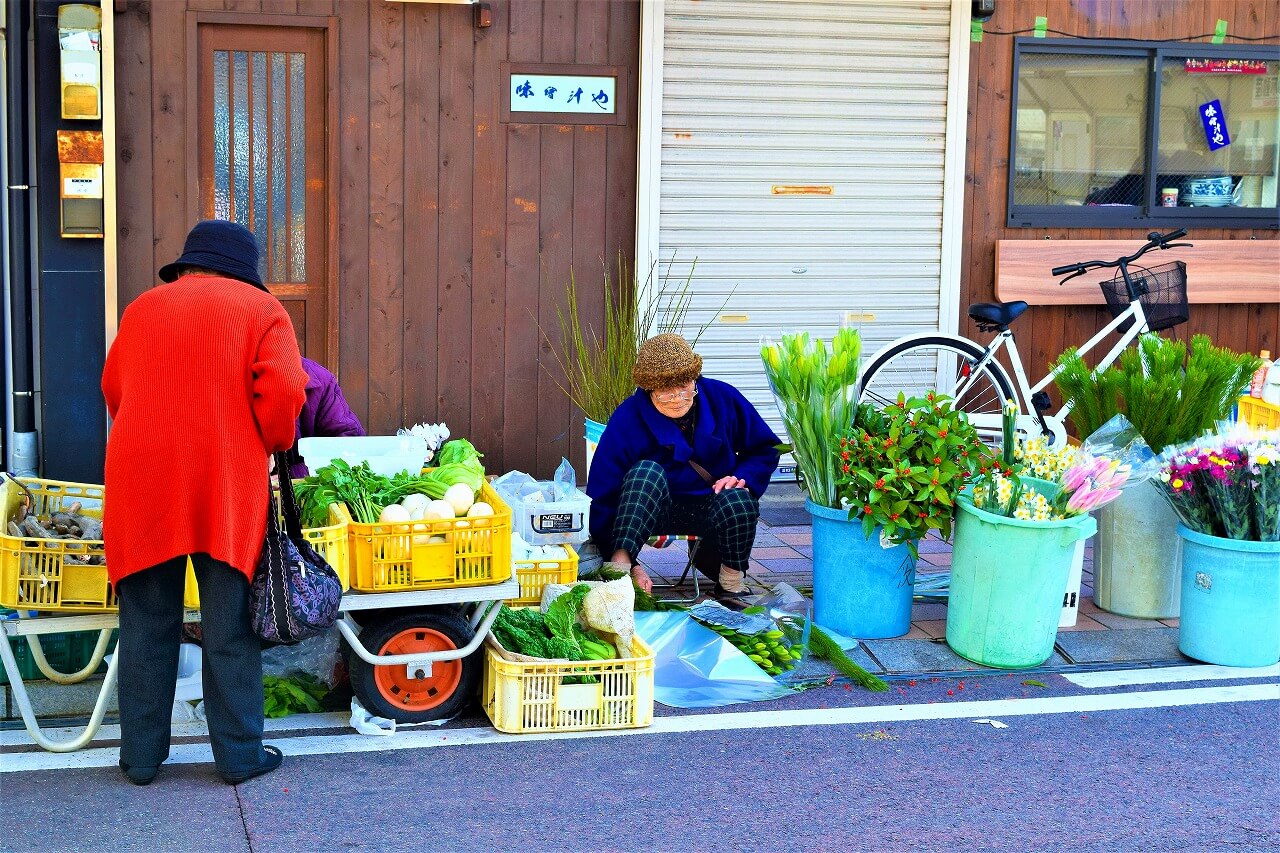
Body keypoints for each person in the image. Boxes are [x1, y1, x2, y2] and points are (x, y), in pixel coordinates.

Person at [102, 220, 307, 786]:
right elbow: (287, 391)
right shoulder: (263, 311)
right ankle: (239, 756)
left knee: (145, 620)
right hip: (223, 482)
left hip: (141, 479)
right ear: (245, 269)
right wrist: (273, 441)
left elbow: (114, 387)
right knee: (228, 624)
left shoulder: (143, 308)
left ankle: (140, 759)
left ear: (188, 264)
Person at [585, 333, 781, 604]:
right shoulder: (627, 417)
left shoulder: (722, 398)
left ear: (695, 380)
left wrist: (741, 477)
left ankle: (731, 583)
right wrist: (629, 562)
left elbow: (765, 447)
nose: (677, 399)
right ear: (649, 389)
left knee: (739, 495)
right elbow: (602, 492)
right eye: (666, 392)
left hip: (710, 508)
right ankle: (618, 575)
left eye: (685, 388)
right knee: (646, 473)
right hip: (650, 511)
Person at [287, 356, 366, 479]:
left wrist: (290, 476)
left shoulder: (318, 380)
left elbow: (349, 447)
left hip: (303, 485)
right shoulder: (246, 380)